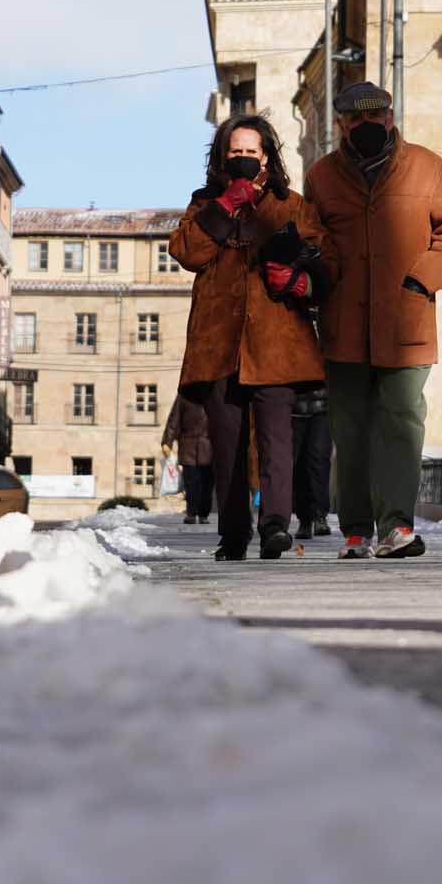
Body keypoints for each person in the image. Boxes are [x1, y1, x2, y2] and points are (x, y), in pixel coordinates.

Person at [305, 81, 442, 559]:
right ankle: (356, 532)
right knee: (350, 431)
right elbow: (313, 237)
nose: (367, 125)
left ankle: (397, 526)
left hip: (406, 323)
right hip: (344, 325)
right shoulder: (321, 176)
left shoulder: (427, 167)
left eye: (375, 116)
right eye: (356, 119)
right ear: (341, 124)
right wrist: (322, 275)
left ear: (390, 117)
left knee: (401, 422)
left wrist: (421, 280)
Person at [169, 115, 332, 561]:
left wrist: (301, 280)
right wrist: (225, 205)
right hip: (218, 342)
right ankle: (233, 534)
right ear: (222, 157)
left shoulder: (290, 205)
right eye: (235, 152)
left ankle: (275, 525)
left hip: (277, 340)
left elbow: (326, 261)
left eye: (251, 152)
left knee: (276, 439)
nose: (243, 159)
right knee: (228, 444)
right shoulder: (205, 203)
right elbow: (186, 252)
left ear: (266, 157)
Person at [161, 394, 214, 526]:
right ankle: (191, 513)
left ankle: (203, 514)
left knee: (207, 485)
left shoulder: (214, 394)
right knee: (191, 483)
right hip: (188, 446)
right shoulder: (184, 395)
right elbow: (174, 420)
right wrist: (167, 442)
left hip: (210, 447)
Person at [290, 385, 334, 539]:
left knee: (319, 459)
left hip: (323, 405)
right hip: (294, 406)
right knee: (298, 463)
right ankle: (304, 519)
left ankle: (320, 515)